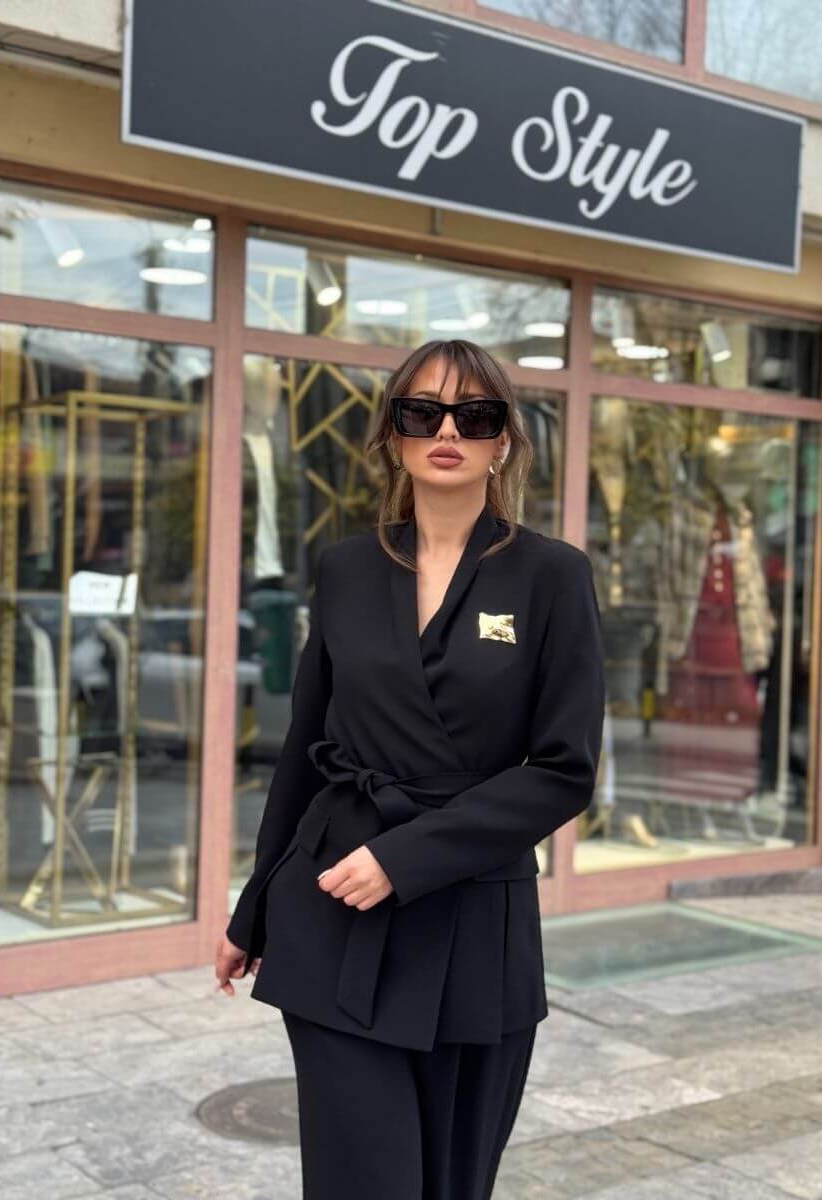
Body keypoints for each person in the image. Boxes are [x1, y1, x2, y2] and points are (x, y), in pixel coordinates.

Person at [214, 338, 606, 1198]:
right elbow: (305, 748)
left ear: (504, 440)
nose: (448, 432)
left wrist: (404, 859)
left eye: (476, 415)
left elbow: (564, 769)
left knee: (451, 1183)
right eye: (422, 412)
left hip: (473, 925)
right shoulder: (347, 568)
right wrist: (255, 909)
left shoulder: (551, 576)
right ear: (393, 434)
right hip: (332, 908)